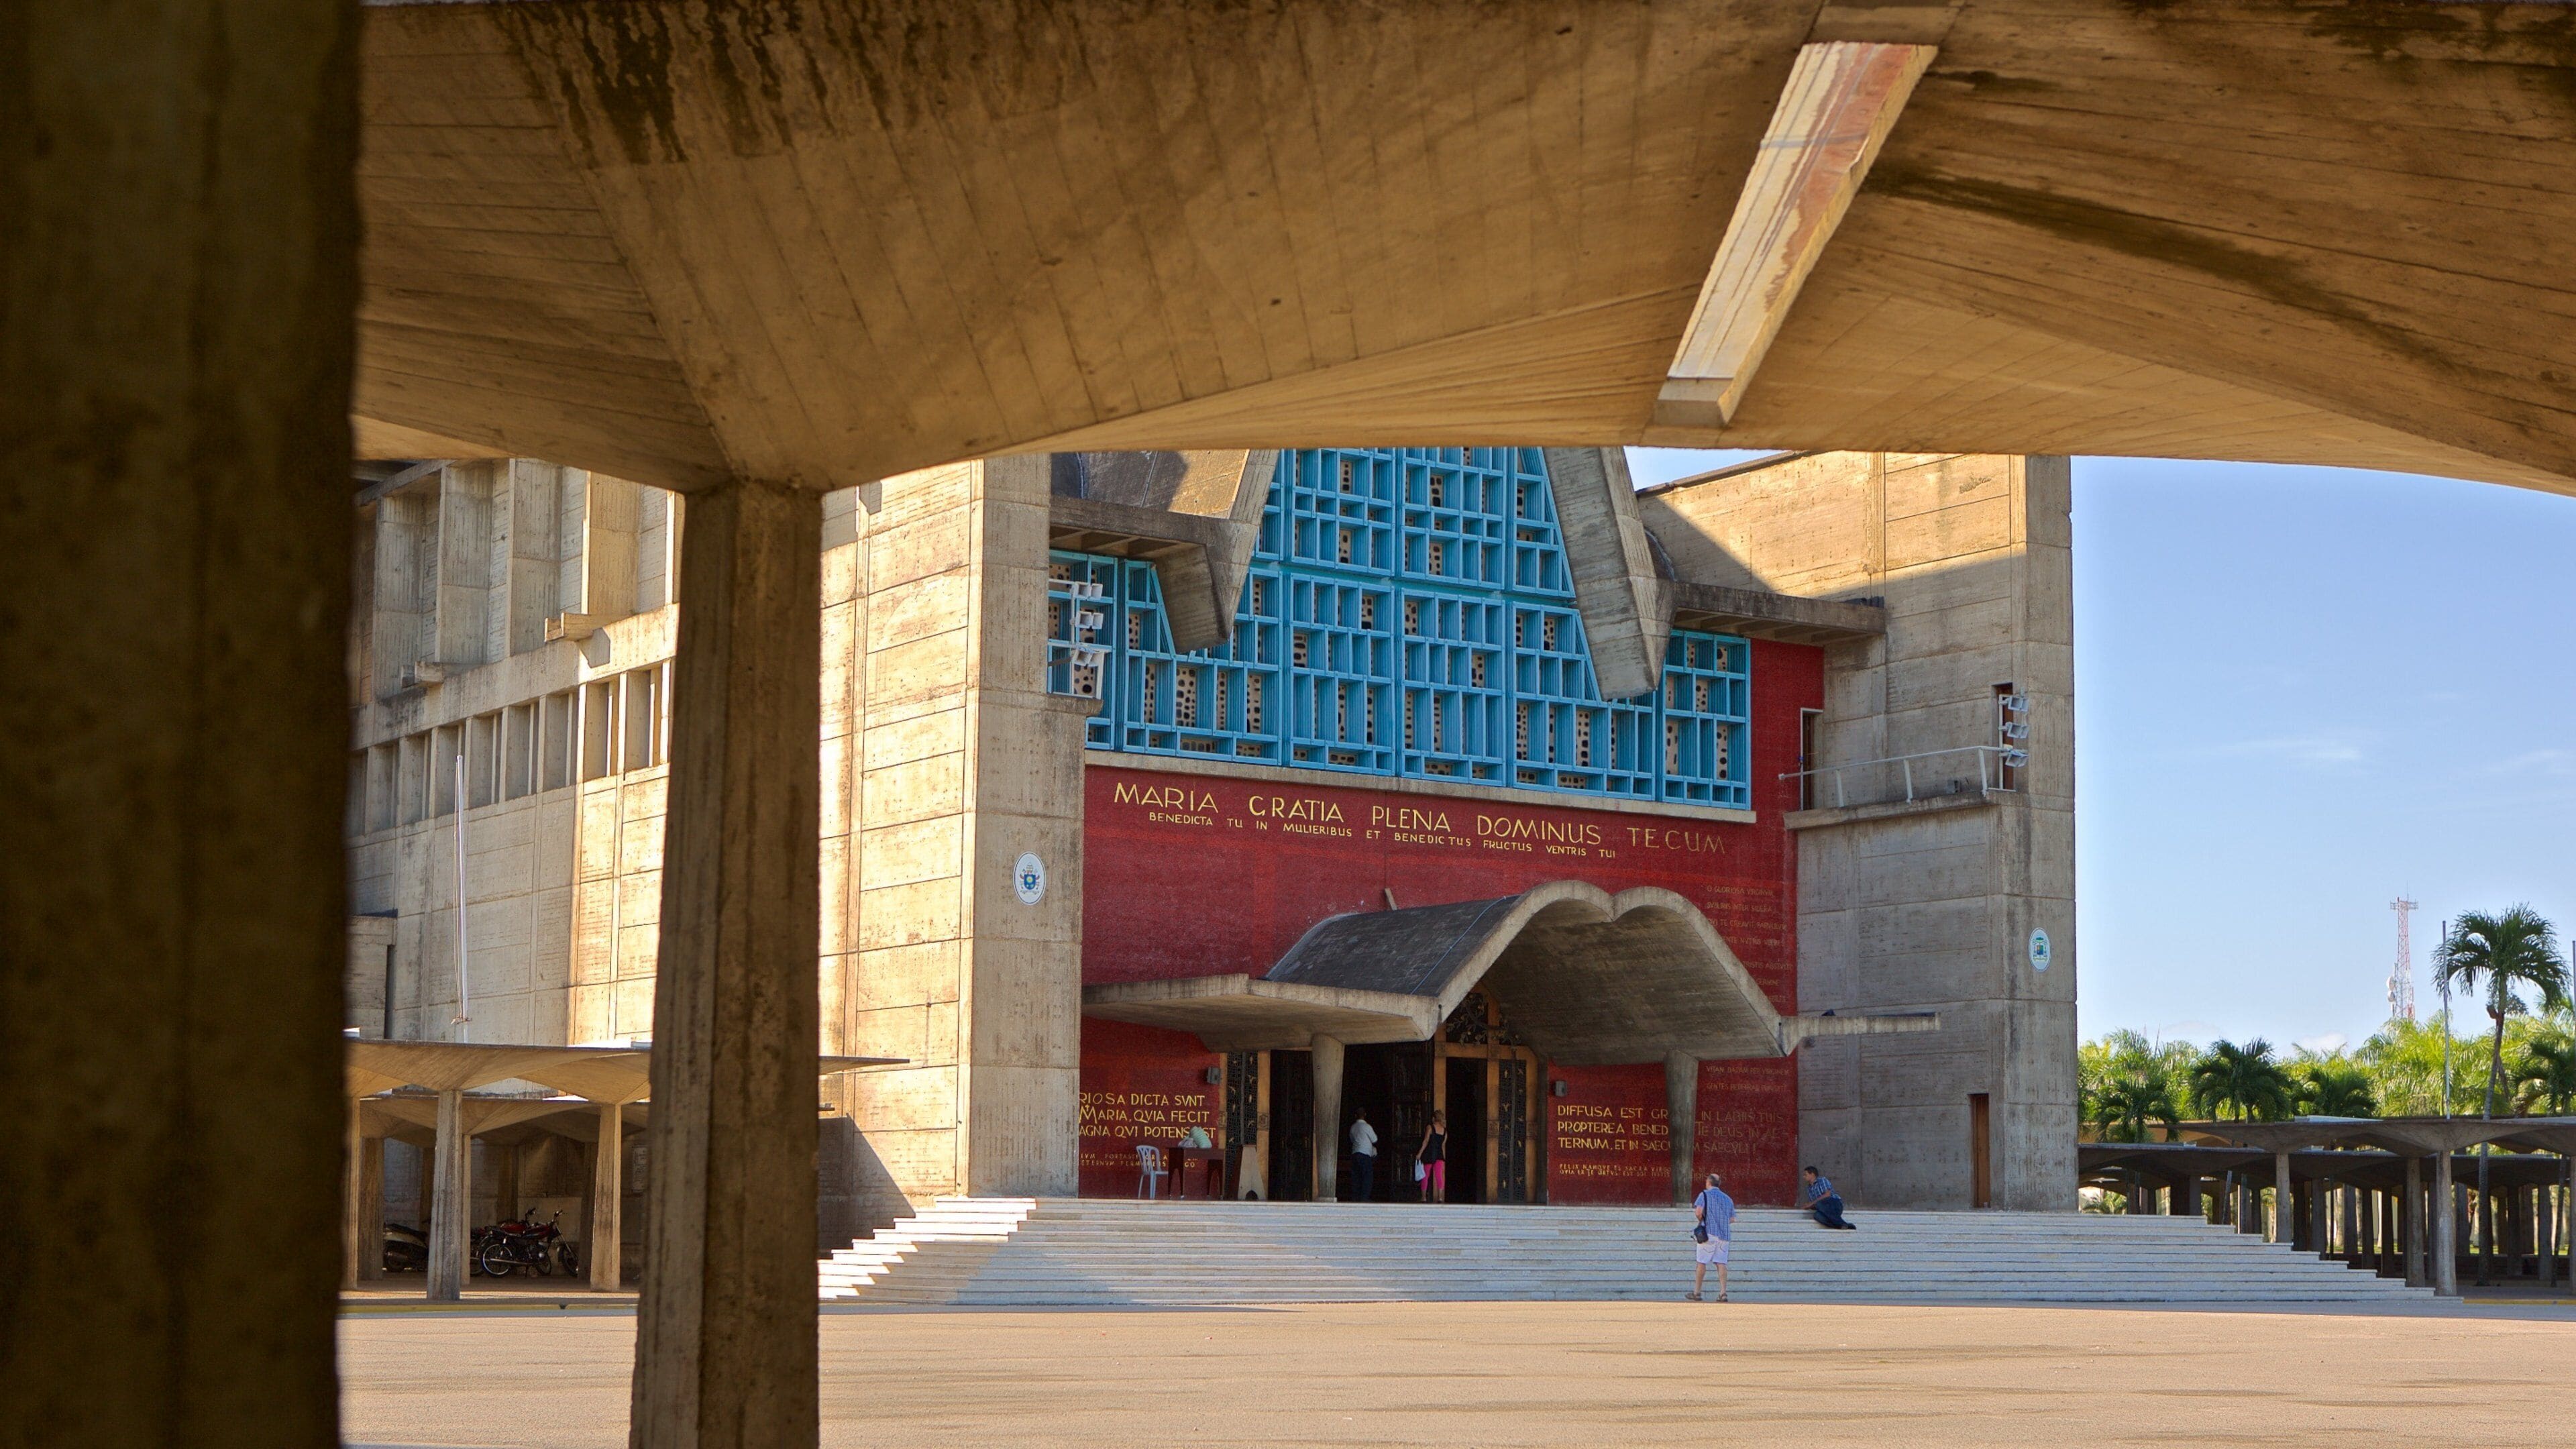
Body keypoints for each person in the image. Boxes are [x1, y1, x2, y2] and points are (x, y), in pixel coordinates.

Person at [1690, 1171, 1734, 1302]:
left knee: (1701, 1262)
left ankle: (1697, 1292)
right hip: (1724, 1236)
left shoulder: (1704, 1195)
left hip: (1708, 1234)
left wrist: (1703, 1220)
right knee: (1721, 1263)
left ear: (1708, 1182)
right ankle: (1723, 1293)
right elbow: (1732, 1219)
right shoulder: (1728, 1199)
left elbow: (1698, 1212)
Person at [1801, 1165, 1856, 1229]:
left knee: (1819, 1203)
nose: (1804, 1177)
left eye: (1806, 1175)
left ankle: (1842, 1223)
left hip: (1834, 1204)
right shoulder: (1809, 1189)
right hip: (1825, 1210)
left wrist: (1811, 1203)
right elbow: (1816, 1205)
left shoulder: (1822, 1180)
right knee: (1817, 1216)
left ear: (1812, 1174)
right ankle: (1842, 1225)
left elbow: (1827, 1195)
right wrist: (1809, 1206)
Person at [1348, 1109, 1379, 1201]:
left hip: (1355, 1154)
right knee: (1367, 1177)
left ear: (1355, 1116)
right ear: (1365, 1115)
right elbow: (1375, 1139)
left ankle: (1355, 1198)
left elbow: (1352, 1139)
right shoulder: (1367, 1127)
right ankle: (1364, 1199)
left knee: (1356, 1177)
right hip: (1365, 1154)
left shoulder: (1353, 1127)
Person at [1417, 1112, 1448, 1203]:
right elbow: (1443, 1146)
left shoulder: (1430, 1127)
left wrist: (1420, 1153)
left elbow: (1426, 1141)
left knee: (1425, 1176)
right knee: (1439, 1176)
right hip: (1439, 1155)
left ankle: (1423, 1198)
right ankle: (1440, 1197)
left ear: (1434, 1118)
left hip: (1429, 1154)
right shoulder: (1444, 1131)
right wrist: (1443, 1158)